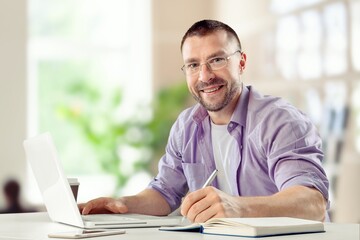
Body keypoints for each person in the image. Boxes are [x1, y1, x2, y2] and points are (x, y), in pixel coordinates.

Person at [80, 19, 329, 222]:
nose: (205, 76)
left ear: (241, 62)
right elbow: (164, 194)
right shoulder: (187, 126)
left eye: (217, 60)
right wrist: (123, 203)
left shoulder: (280, 121)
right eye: (193, 65)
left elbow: (312, 203)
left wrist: (238, 208)